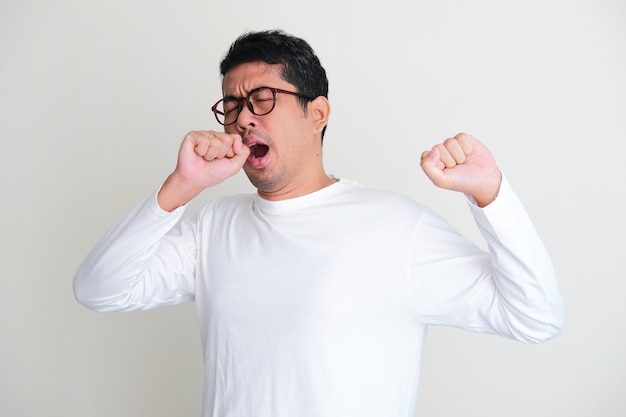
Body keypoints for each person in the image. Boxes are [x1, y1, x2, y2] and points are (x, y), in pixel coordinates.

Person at [73, 29, 564, 417]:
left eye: (262, 98)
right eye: (234, 105)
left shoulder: (395, 228)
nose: (244, 119)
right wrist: (180, 186)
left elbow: (535, 317)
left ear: (318, 113)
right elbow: (99, 289)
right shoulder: (213, 227)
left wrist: (490, 194)